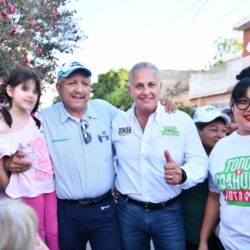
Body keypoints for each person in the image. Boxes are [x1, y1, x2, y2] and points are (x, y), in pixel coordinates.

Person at [5, 61, 175, 250]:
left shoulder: (104, 110)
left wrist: (161, 103)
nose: (79, 89)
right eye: (72, 83)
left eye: (85, 83)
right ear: (58, 88)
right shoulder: (43, 119)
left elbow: (134, 116)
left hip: (105, 209)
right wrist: (7, 161)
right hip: (67, 211)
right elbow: (14, 135)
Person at [111, 62, 208, 250]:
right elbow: (110, 158)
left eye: (151, 84)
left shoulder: (180, 120)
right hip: (128, 213)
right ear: (130, 89)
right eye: (139, 86)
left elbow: (200, 162)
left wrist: (183, 173)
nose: (146, 91)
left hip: (168, 213)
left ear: (160, 87)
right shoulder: (117, 122)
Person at [0, 68, 59, 250]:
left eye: (35, 91)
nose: (31, 94)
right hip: (28, 188)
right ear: (10, 91)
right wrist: (10, 189)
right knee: (36, 234)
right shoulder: (3, 123)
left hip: (48, 185)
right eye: (25, 89)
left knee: (54, 232)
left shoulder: (36, 118)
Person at [198, 77, 250, 250]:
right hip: (227, 243)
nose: (248, 108)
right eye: (243, 101)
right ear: (233, 106)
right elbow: (214, 197)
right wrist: (204, 241)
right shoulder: (221, 147)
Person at [182, 105, 230, 250]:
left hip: (220, 235)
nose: (220, 135)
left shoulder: (227, 157)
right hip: (190, 234)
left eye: (223, 130)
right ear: (197, 131)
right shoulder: (184, 159)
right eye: (214, 130)